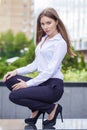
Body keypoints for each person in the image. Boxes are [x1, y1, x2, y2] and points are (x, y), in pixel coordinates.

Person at [3, 8, 75, 127]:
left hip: (53, 87)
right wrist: (15, 71)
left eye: (49, 23)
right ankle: (36, 109)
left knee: (14, 96)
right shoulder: (43, 40)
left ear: (56, 22)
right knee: (10, 79)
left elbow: (50, 71)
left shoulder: (60, 43)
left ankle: (52, 108)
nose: (45, 27)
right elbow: (35, 65)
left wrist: (28, 84)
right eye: (42, 24)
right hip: (42, 83)